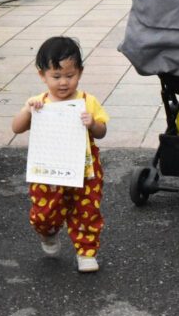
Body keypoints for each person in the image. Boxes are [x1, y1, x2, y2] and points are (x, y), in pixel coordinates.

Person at [11, 36, 109, 273]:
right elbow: (16, 128)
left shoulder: (88, 101)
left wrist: (92, 123)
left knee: (86, 210)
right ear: (42, 75)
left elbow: (102, 131)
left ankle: (86, 252)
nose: (63, 82)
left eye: (70, 75)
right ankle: (48, 233)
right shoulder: (39, 103)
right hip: (49, 170)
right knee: (45, 214)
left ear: (80, 73)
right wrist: (27, 110)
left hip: (84, 169)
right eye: (56, 76)